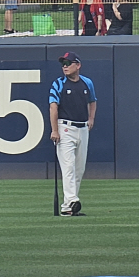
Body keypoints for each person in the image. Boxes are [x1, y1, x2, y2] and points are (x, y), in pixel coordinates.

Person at [49, 52, 97, 217]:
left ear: (78, 65)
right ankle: (72, 200)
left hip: (83, 128)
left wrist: (91, 118)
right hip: (65, 128)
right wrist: (54, 130)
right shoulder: (59, 84)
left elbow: (92, 100)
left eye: (68, 63)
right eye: (63, 64)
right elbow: (53, 107)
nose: (65, 66)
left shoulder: (87, 83)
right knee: (68, 166)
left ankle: (67, 207)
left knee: (79, 168)